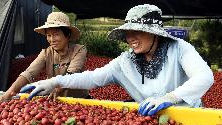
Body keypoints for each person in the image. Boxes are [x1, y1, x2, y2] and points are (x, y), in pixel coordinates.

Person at [20, 4, 214, 116]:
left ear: (155, 34)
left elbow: (205, 77)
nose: (130, 38)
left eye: (137, 32)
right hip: (151, 120)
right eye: (128, 33)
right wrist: (55, 81)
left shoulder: (179, 48)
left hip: (189, 116)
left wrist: (170, 98)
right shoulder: (125, 62)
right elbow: (93, 77)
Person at [0, 12, 88, 101]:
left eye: (56, 34)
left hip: (80, 100)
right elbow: (29, 73)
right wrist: (9, 92)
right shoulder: (46, 53)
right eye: (49, 35)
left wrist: (58, 89)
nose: (52, 40)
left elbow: (71, 74)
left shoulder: (79, 50)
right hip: (55, 100)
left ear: (67, 35)